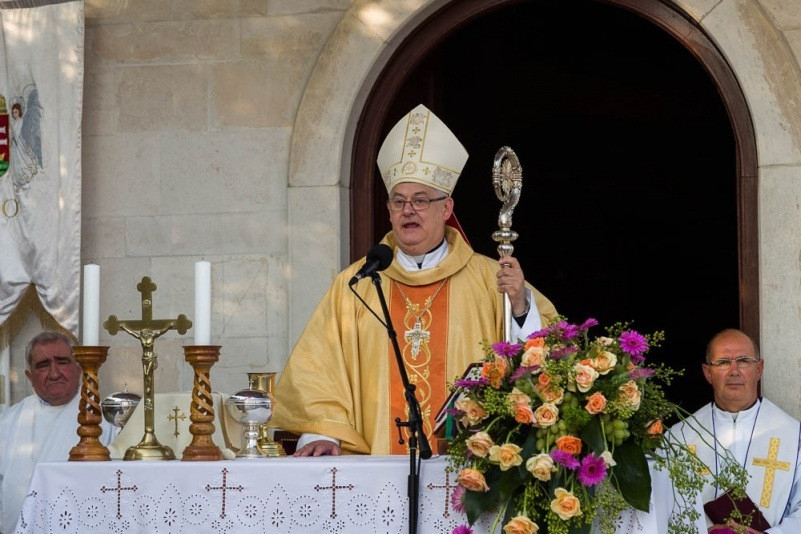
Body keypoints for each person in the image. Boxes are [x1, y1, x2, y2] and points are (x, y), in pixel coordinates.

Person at [271, 104, 557, 457]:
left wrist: (520, 306)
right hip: (377, 465)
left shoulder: (490, 279)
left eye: (420, 201)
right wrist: (324, 432)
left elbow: (543, 358)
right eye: (399, 201)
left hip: (468, 465)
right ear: (389, 210)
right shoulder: (357, 283)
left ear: (446, 209)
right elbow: (320, 367)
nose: (408, 210)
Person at [667, 329, 801, 533]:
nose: (734, 371)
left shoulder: (794, 435)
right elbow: (663, 506)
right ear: (708, 373)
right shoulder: (679, 437)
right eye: (723, 362)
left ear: (759, 369)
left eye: (744, 361)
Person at [0, 331, 113, 534]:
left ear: (78, 368)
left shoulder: (103, 420)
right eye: (43, 365)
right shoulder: (8, 422)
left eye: (62, 362)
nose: (54, 373)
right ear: (29, 376)